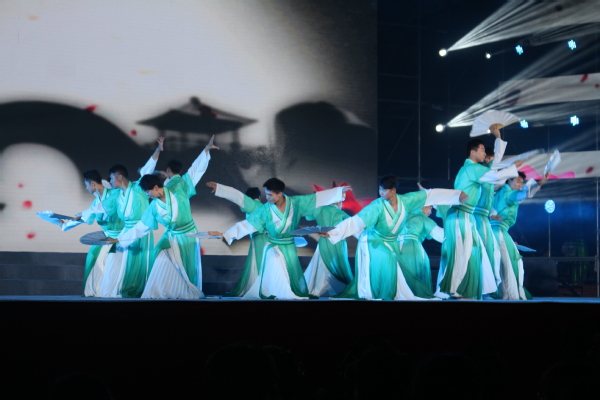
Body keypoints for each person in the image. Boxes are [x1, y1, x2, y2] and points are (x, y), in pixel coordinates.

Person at [322, 174, 467, 300]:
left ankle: (390, 293)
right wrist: (333, 232)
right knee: (387, 259)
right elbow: (357, 221)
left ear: (393, 191)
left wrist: (456, 195)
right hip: (373, 240)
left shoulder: (407, 201)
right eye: (380, 189)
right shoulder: (377, 205)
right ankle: (374, 292)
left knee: (395, 267)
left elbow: (429, 195)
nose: (381, 192)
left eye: (384, 190)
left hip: (391, 242)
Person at [108, 136, 219, 299]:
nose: (147, 195)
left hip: (188, 234)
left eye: (148, 192)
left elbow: (195, 171)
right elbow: (141, 227)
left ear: (155, 187)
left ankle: (183, 291)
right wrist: (120, 239)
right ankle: (160, 291)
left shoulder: (179, 187)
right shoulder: (153, 207)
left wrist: (206, 150)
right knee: (158, 255)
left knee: (187, 268)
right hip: (171, 235)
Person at [208, 178, 350, 299]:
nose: (267, 198)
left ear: (280, 194)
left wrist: (338, 192)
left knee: (289, 277)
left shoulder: (295, 203)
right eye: (266, 195)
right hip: (273, 245)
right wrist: (226, 234)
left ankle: (287, 294)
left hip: (289, 246)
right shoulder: (265, 209)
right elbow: (250, 223)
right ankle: (273, 293)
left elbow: (315, 199)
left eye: (270, 195)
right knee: (274, 268)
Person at [437, 138, 520, 300]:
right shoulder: (472, 168)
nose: (484, 153)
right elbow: (495, 176)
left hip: (468, 216)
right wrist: (512, 168)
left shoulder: (471, 169)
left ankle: (469, 290)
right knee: (464, 253)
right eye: (482, 150)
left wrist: (499, 138)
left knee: (475, 253)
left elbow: (494, 171)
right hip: (461, 215)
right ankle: (457, 290)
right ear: (472, 152)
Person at [81, 138, 164, 297]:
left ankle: (132, 290)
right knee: (114, 259)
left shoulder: (138, 188)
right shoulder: (118, 195)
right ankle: (112, 291)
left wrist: (157, 151)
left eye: (111, 178)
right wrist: (83, 214)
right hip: (126, 231)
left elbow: (147, 169)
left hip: (140, 231)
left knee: (135, 265)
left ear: (119, 177)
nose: (110, 181)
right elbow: (102, 206)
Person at [61, 170, 124, 296]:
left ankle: (111, 290)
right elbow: (85, 218)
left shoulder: (115, 194)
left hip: (121, 237)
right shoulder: (95, 202)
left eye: (86, 185)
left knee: (111, 264)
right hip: (107, 236)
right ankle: (97, 290)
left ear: (93, 184)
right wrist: (65, 224)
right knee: (95, 258)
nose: (86, 188)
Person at [491, 170, 549, 300]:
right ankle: (509, 294)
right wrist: (540, 183)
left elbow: (522, 194)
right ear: (509, 181)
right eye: (517, 181)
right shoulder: (508, 194)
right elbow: (521, 194)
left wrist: (533, 188)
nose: (520, 184)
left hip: (498, 231)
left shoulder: (500, 193)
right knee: (510, 263)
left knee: (503, 262)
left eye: (521, 182)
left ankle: (504, 292)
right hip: (498, 231)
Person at [206, 182, 268, 297]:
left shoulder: (253, 205)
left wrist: (220, 188)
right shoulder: (265, 207)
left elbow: (238, 196)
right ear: (259, 197)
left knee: (260, 265)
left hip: (260, 239)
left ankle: (263, 290)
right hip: (269, 239)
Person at [303, 187, 354, 297]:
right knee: (339, 265)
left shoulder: (320, 210)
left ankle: (319, 288)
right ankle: (339, 289)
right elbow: (353, 226)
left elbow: (307, 216)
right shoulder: (340, 213)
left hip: (324, 242)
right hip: (338, 243)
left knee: (322, 264)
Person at [397, 206, 444, 290]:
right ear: (422, 206)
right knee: (416, 275)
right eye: (430, 208)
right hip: (413, 248)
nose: (431, 212)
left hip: (396, 248)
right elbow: (441, 235)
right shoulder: (423, 218)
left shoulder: (403, 216)